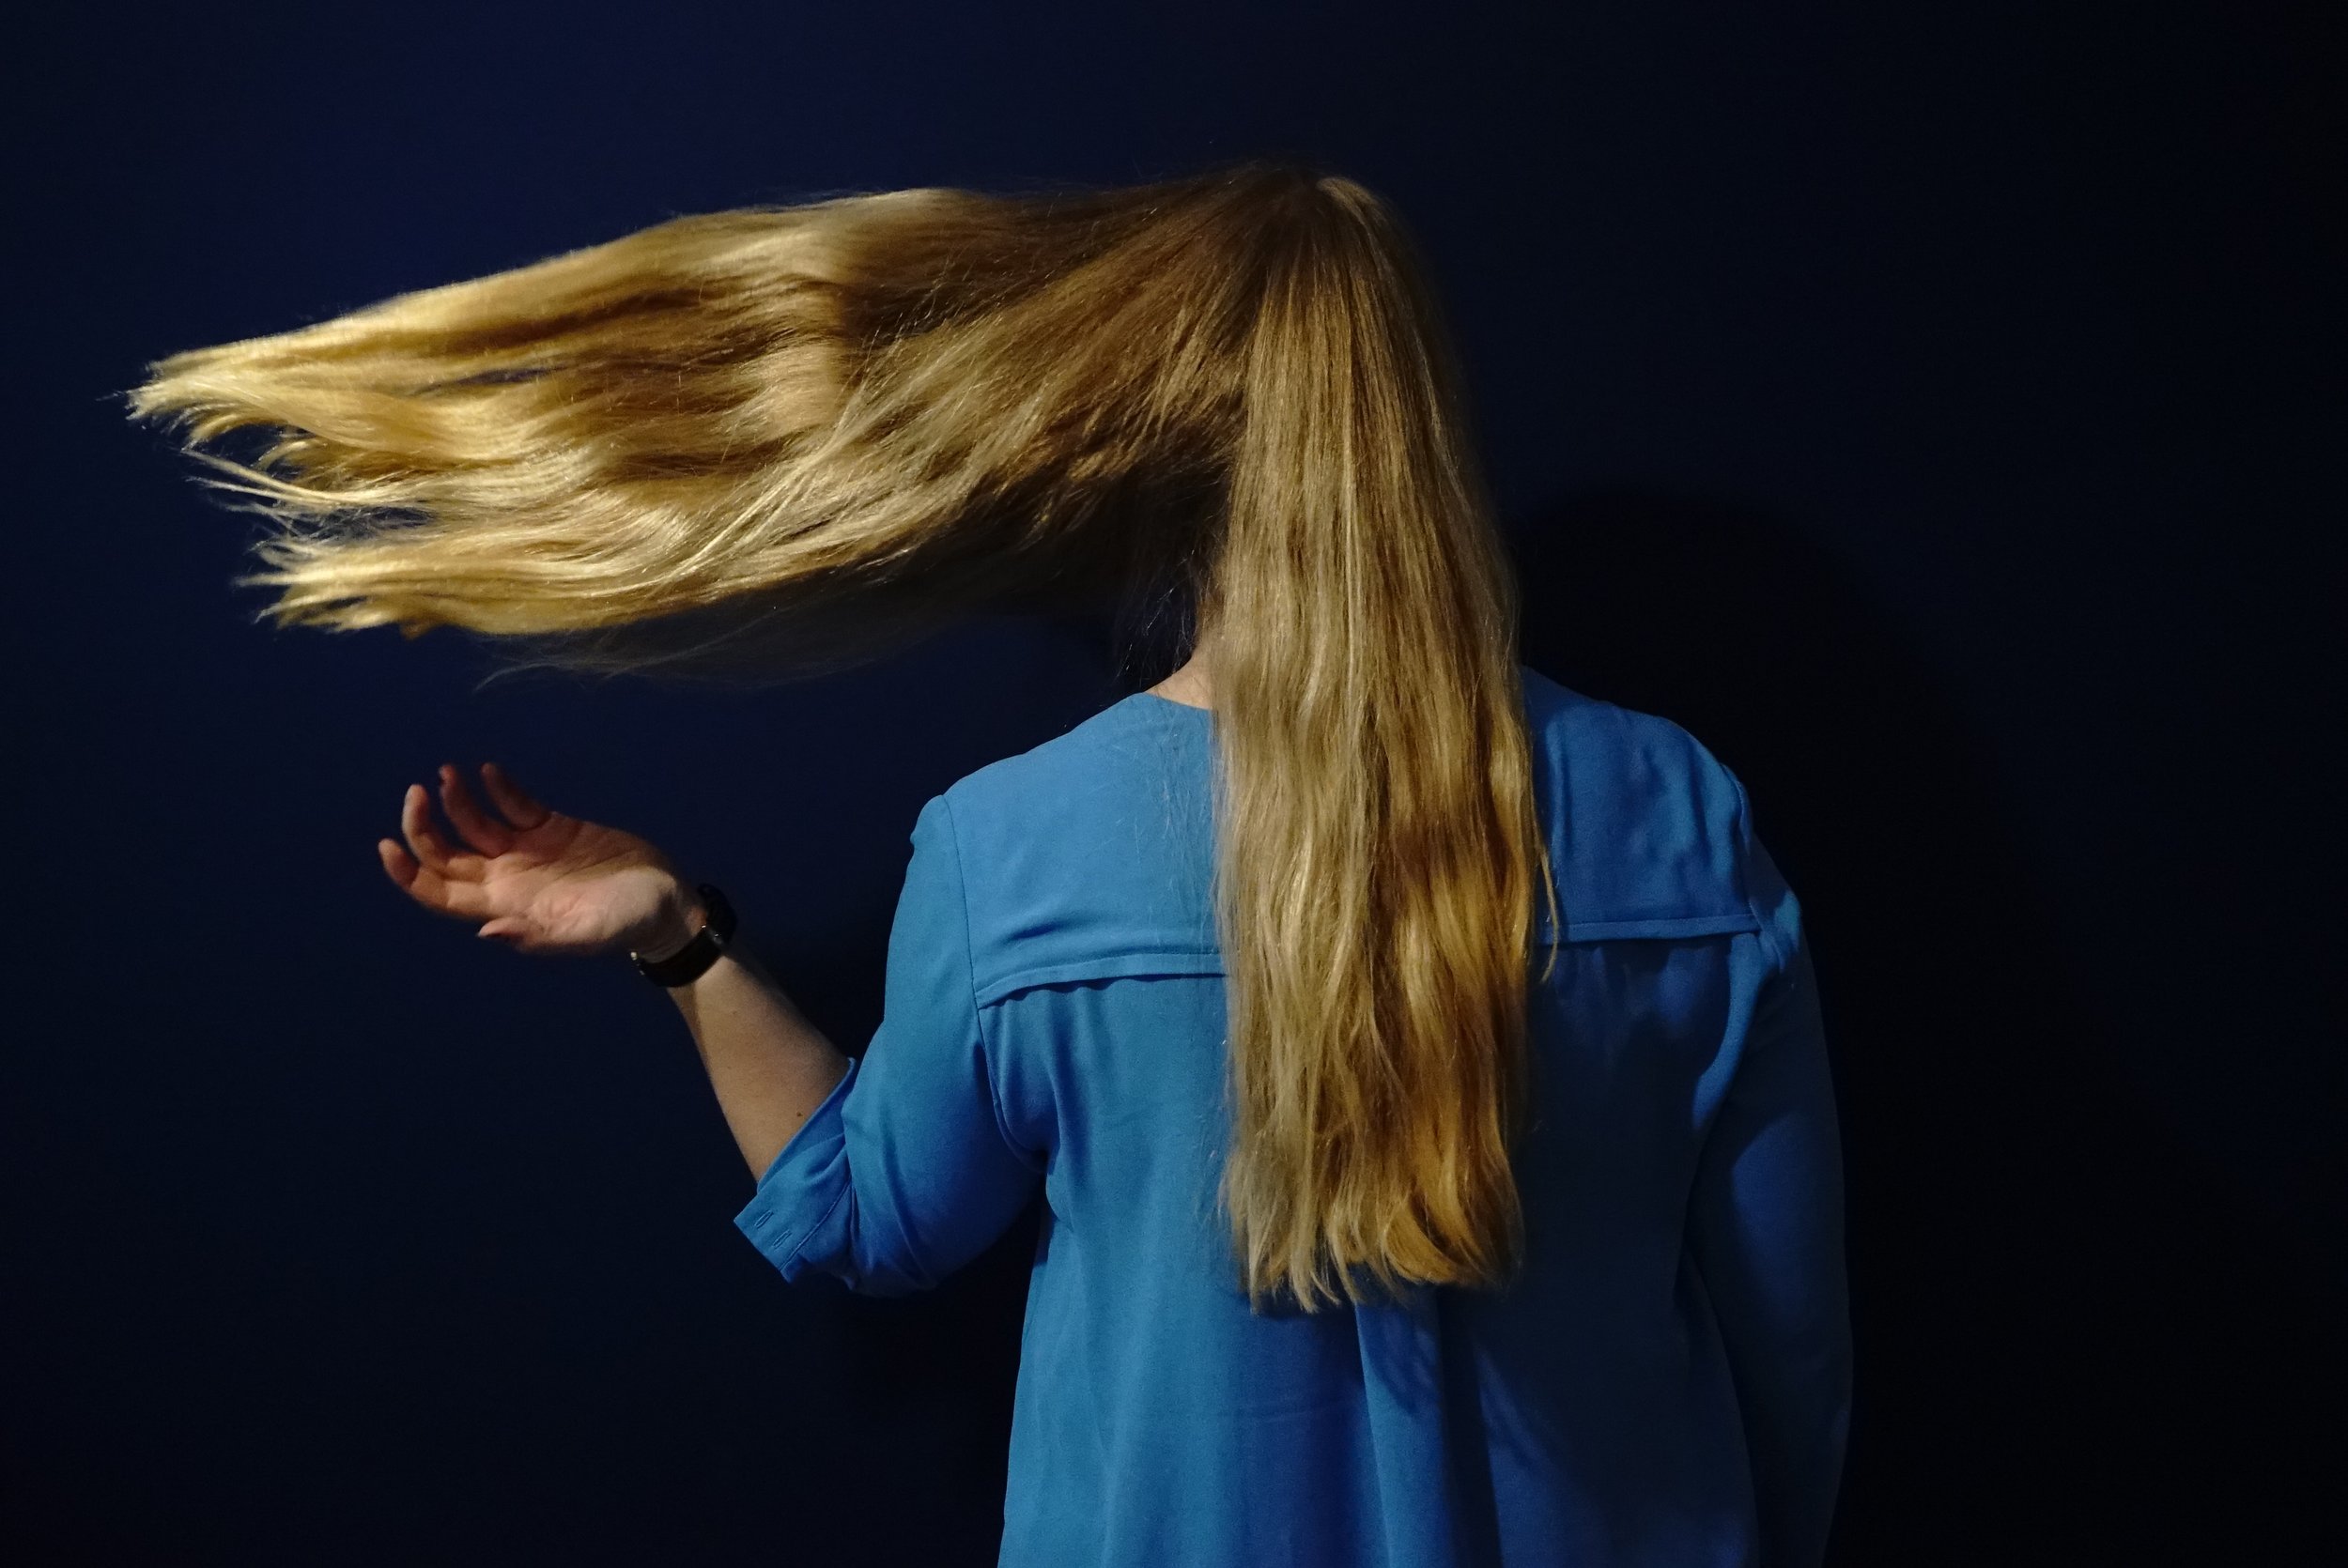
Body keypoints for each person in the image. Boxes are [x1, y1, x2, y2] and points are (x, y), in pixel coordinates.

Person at [130, 158, 1851, 1567]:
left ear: (1166, 445)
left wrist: (682, 944)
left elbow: (869, 1219)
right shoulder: (1679, 809)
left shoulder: (1015, 842)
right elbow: (1790, 1351)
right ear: (1424, 422)